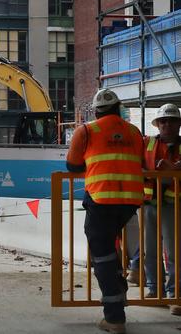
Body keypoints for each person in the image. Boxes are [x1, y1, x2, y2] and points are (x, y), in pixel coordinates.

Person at [66, 89, 144, 334]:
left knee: (101, 256)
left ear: (96, 110)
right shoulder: (134, 132)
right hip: (131, 201)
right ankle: (118, 285)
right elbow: (138, 161)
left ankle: (114, 317)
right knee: (109, 250)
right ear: (118, 107)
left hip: (101, 199)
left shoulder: (87, 131)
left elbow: (72, 165)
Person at [141, 103, 181, 315]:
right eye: (163, 121)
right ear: (157, 124)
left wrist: (175, 168)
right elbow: (136, 164)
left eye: (171, 120)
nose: (167, 124)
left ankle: (175, 293)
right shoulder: (146, 143)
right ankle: (154, 290)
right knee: (150, 250)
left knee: (174, 252)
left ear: (179, 124)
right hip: (149, 203)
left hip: (173, 206)